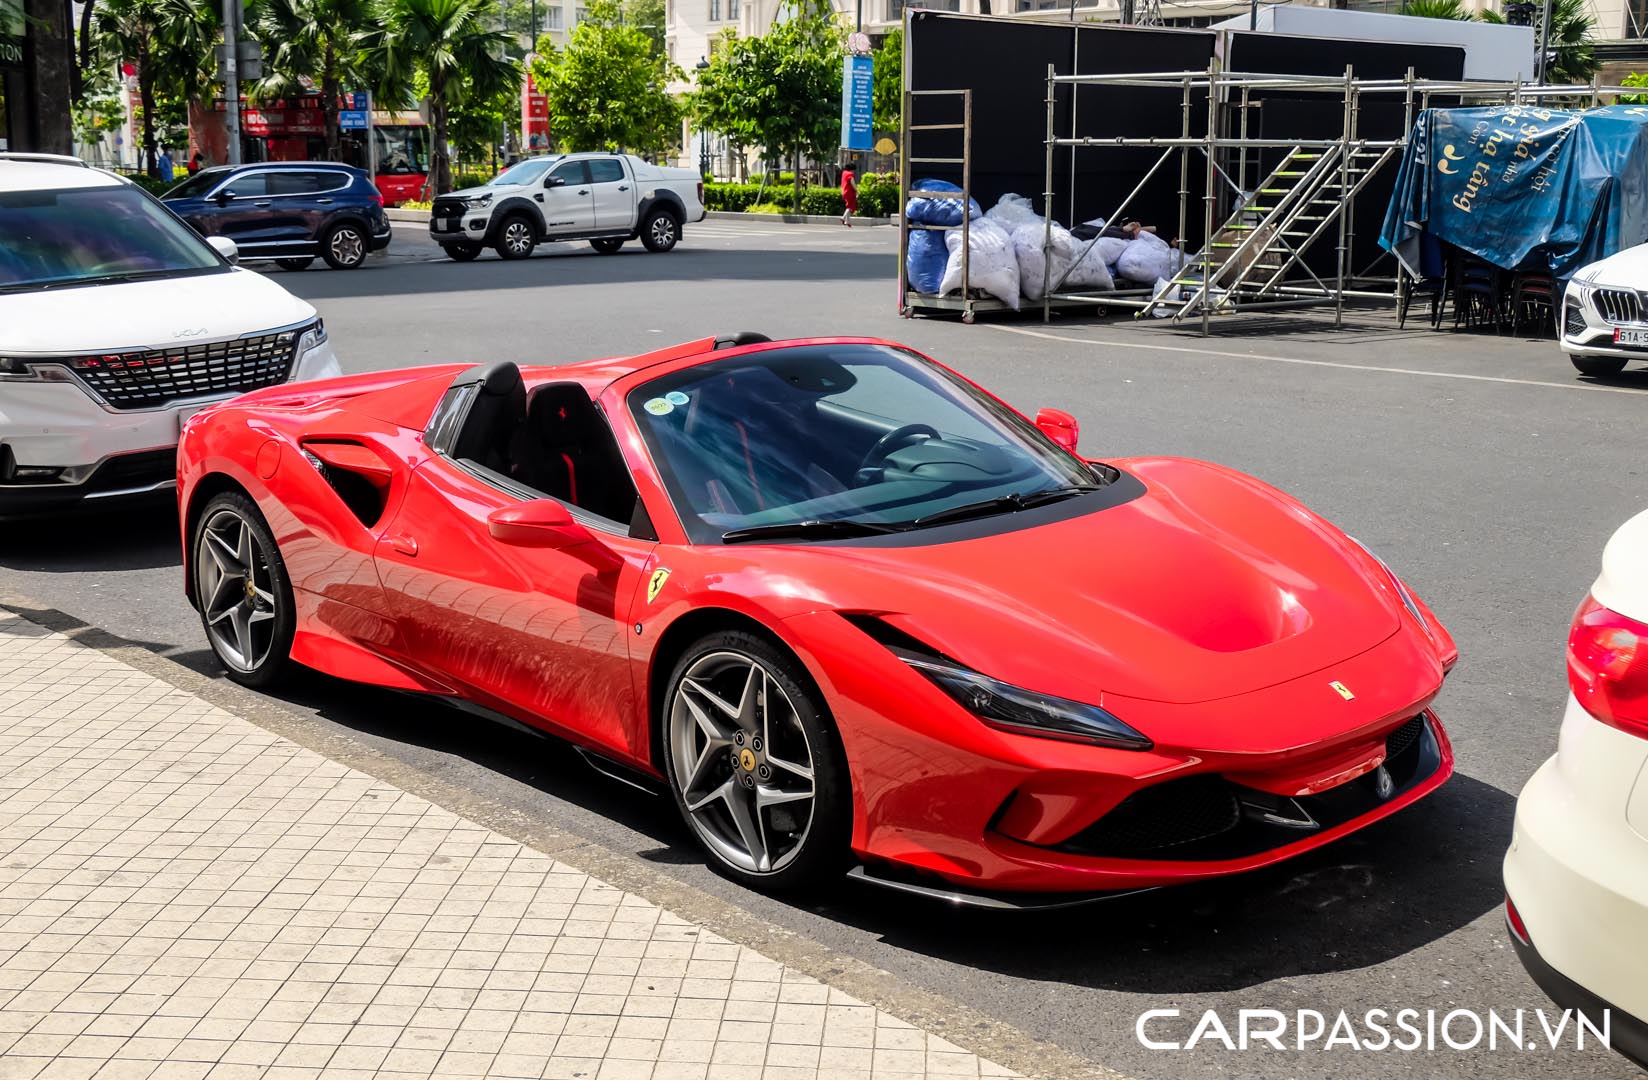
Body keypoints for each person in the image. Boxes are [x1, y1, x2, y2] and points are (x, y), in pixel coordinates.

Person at [840, 162, 858, 227]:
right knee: (850, 206)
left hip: (844, 191)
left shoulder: (844, 173)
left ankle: (846, 221)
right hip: (849, 192)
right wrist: (857, 190)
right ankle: (844, 218)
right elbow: (852, 183)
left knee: (849, 206)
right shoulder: (850, 174)